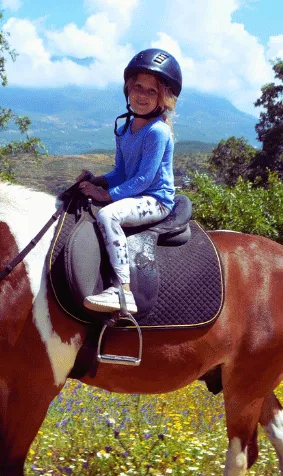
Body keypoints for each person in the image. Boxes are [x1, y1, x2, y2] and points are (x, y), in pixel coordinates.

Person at [76, 48, 182, 315]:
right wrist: (97, 181)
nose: (142, 96)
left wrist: (106, 197)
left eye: (152, 91)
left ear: (164, 98)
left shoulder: (157, 131)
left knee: (108, 216)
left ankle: (123, 292)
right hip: (137, 193)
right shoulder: (124, 129)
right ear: (127, 89)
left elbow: (145, 179)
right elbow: (120, 172)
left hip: (155, 199)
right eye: (138, 87)